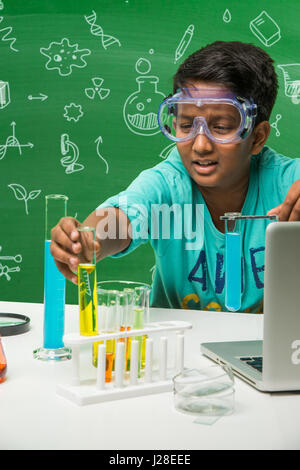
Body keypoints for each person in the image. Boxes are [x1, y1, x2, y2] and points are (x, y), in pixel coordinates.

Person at [50, 41, 300, 313]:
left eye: (221, 127)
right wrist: (86, 240)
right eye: (185, 125)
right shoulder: (168, 185)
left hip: (267, 351)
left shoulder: (286, 183)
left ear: (258, 137)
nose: (200, 144)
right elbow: (122, 216)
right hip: (176, 345)